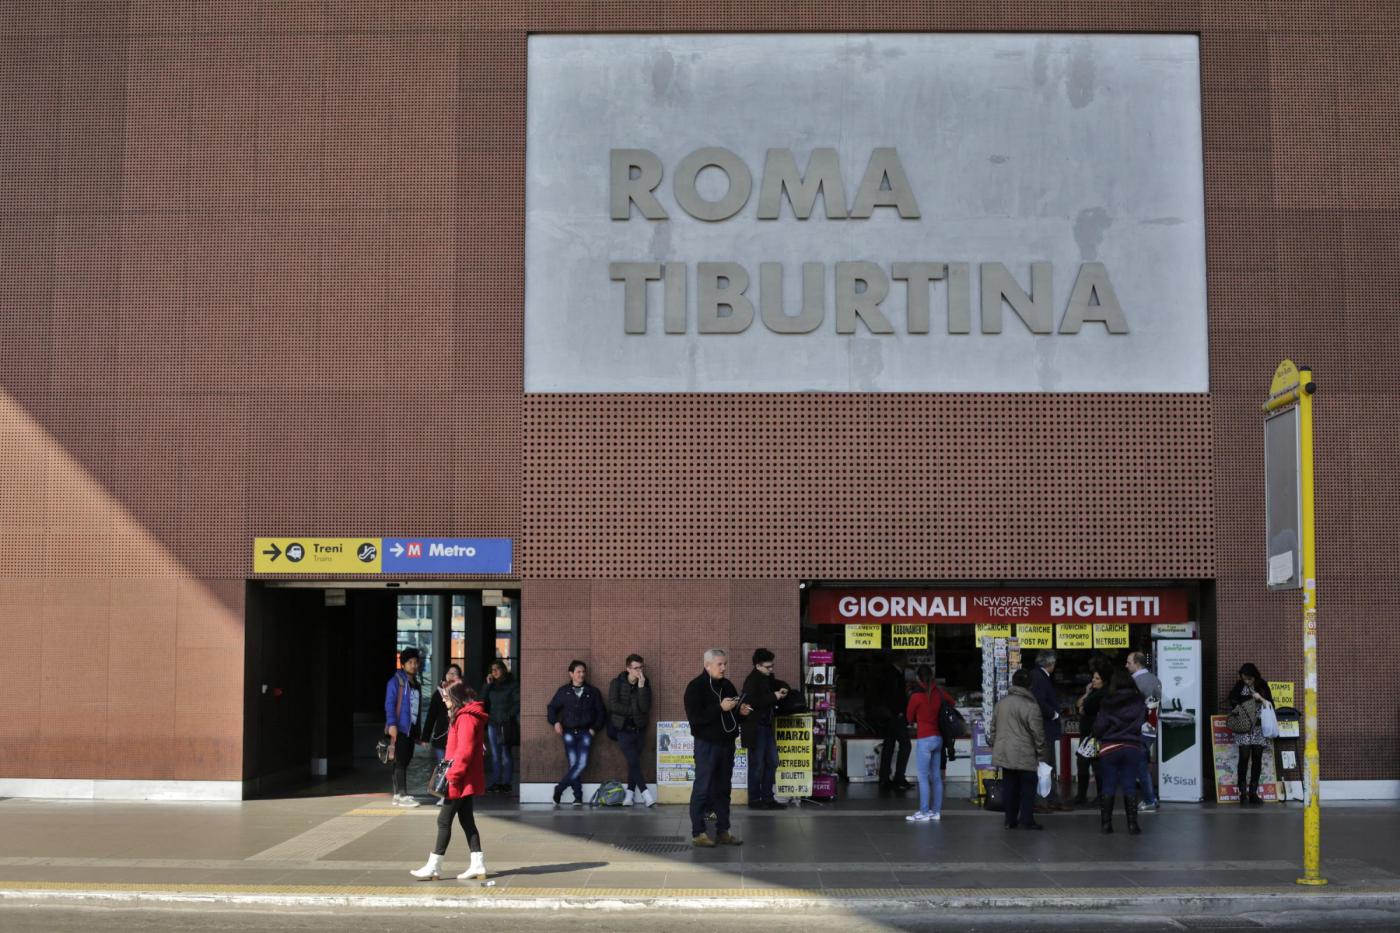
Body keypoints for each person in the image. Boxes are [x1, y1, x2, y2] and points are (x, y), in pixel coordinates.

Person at [409, 681, 490, 881]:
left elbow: (465, 751)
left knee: (443, 820)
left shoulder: (466, 718)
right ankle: (478, 865)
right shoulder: (463, 715)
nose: (444, 700)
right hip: (463, 777)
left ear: (455, 697)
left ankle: (434, 867)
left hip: (459, 779)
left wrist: (452, 776)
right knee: (466, 820)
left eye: (446, 697)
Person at [684, 648, 753, 847]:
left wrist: (741, 713)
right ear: (707, 665)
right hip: (706, 744)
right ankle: (698, 832)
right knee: (703, 787)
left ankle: (724, 830)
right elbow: (695, 719)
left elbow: (732, 718)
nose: (723, 668)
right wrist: (719, 708)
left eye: (725, 664)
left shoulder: (728, 685)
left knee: (723, 788)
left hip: (727, 743)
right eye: (719, 664)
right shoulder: (695, 687)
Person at [987, 669, 1047, 831]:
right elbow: (1038, 733)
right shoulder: (1031, 706)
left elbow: (993, 728)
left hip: (1005, 752)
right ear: (1030, 685)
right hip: (1025, 753)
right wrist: (1041, 754)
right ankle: (1026, 819)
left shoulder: (1001, 703)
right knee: (1028, 787)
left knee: (1010, 787)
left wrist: (995, 744)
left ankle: (1010, 819)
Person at [1094, 668, 1149, 834]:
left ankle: (1106, 825)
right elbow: (1144, 720)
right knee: (1129, 784)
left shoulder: (1107, 701)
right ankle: (1132, 825)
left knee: (1108, 784)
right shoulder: (1139, 702)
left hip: (1110, 747)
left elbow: (1099, 726)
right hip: (1132, 746)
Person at [546, 660, 606, 808]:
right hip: (568, 732)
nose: (581, 674)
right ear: (571, 674)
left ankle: (559, 789)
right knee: (574, 764)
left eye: (583, 672)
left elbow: (602, 712)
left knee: (581, 764)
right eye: (578, 672)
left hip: (586, 732)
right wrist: (555, 722)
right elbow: (552, 708)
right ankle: (577, 797)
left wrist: (595, 728)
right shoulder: (563, 691)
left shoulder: (593, 692)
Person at [903, 664, 956, 822]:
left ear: (918, 678)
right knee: (936, 777)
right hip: (938, 738)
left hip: (924, 739)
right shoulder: (939, 693)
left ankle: (924, 811)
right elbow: (952, 702)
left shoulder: (916, 696)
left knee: (923, 777)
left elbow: (909, 717)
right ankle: (936, 811)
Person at [740, 649, 790, 810]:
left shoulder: (768, 678)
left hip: (766, 726)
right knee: (757, 765)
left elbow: (780, 683)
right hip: (756, 728)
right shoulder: (751, 681)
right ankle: (755, 799)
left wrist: (784, 688)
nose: (771, 669)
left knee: (773, 762)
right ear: (758, 666)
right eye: (768, 667)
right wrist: (774, 696)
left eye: (772, 666)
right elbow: (750, 703)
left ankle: (768, 797)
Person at [608, 654, 656, 807]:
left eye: (641, 667)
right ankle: (645, 793)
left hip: (639, 729)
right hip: (622, 729)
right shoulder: (616, 683)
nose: (639, 671)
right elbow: (613, 706)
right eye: (636, 668)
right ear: (628, 668)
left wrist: (641, 687)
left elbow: (645, 707)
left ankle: (629, 794)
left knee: (633, 762)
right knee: (633, 761)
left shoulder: (645, 683)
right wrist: (634, 711)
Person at [1228, 663, 1275, 806]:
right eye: (1244, 679)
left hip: (1259, 727)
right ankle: (1242, 793)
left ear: (1255, 676)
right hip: (1244, 727)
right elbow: (1232, 700)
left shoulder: (1263, 685)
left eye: (1249, 679)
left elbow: (1271, 705)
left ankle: (1253, 792)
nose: (1247, 681)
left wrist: (1260, 698)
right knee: (1243, 757)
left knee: (1257, 758)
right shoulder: (1239, 685)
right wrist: (1246, 701)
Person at [384, 647, 424, 807]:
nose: (414, 665)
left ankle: (397, 794)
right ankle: (402, 794)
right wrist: (392, 724)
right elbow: (390, 704)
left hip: (410, 729)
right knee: (400, 761)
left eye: (416, 662)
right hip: (399, 727)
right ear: (403, 664)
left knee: (404, 761)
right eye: (410, 662)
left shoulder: (416, 684)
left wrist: (418, 732)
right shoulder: (396, 682)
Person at [1029, 650, 1068, 810]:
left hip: (1045, 729)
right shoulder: (1039, 677)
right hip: (1044, 728)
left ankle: (1050, 798)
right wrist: (1053, 714)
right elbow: (1039, 701)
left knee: (1047, 765)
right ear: (1050, 663)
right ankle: (1041, 800)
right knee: (1044, 766)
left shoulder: (1038, 675)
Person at [870, 654, 913, 791]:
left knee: (889, 745)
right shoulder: (895, 675)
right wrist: (899, 712)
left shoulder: (887, 673)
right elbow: (894, 696)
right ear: (900, 660)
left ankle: (884, 777)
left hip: (888, 716)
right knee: (905, 745)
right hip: (895, 715)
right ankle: (899, 778)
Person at [422, 664, 463, 805]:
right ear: (444, 676)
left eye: (455, 673)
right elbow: (431, 716)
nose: (452, 675)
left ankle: (455, 793)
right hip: (441, 736)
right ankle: (443, 795)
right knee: (443, 767)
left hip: (458, 736)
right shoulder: (438, 694)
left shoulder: (462, 693)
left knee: (455, 766)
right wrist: (425, 738)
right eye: (449, 673)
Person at [1126, 651, 1162, 811]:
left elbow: (1132, 708)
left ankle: (1150, 799)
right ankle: (1150, 797)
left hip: (1138, 728)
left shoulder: (1136, 682)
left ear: (1137, 663)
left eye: (1129, 662)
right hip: (1151, 727)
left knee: (1140, 765)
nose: (1126, 665)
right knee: (1141, 763)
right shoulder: (1155, 679)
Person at [482, 660, 519, 794]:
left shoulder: (512, 684)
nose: (495, 672)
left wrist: (507, 716)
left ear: (503, 669)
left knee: (505, 753)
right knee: (495, 755)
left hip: (505, 724)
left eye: (497, 669)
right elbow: (481, 700)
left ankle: (506, 783)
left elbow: (517, 703)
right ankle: (496, 782)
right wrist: (487, 685)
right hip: (493, 723)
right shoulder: (491, 685)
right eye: (492, 670)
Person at [1073, 666, 1108, 806]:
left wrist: (1083, 707)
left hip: (1095, 735)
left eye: (1097, 678)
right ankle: (1081, 795)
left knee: (1096, 765)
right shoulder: (1092, 693)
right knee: (1082, 764)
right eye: (1093, 677)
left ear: (1104, 681)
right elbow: (1078, 705)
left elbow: (1084, 709)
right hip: (1087, 735)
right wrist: (1086, 693)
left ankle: (1100, 796)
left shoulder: (1103, 694)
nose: (1093, 680)